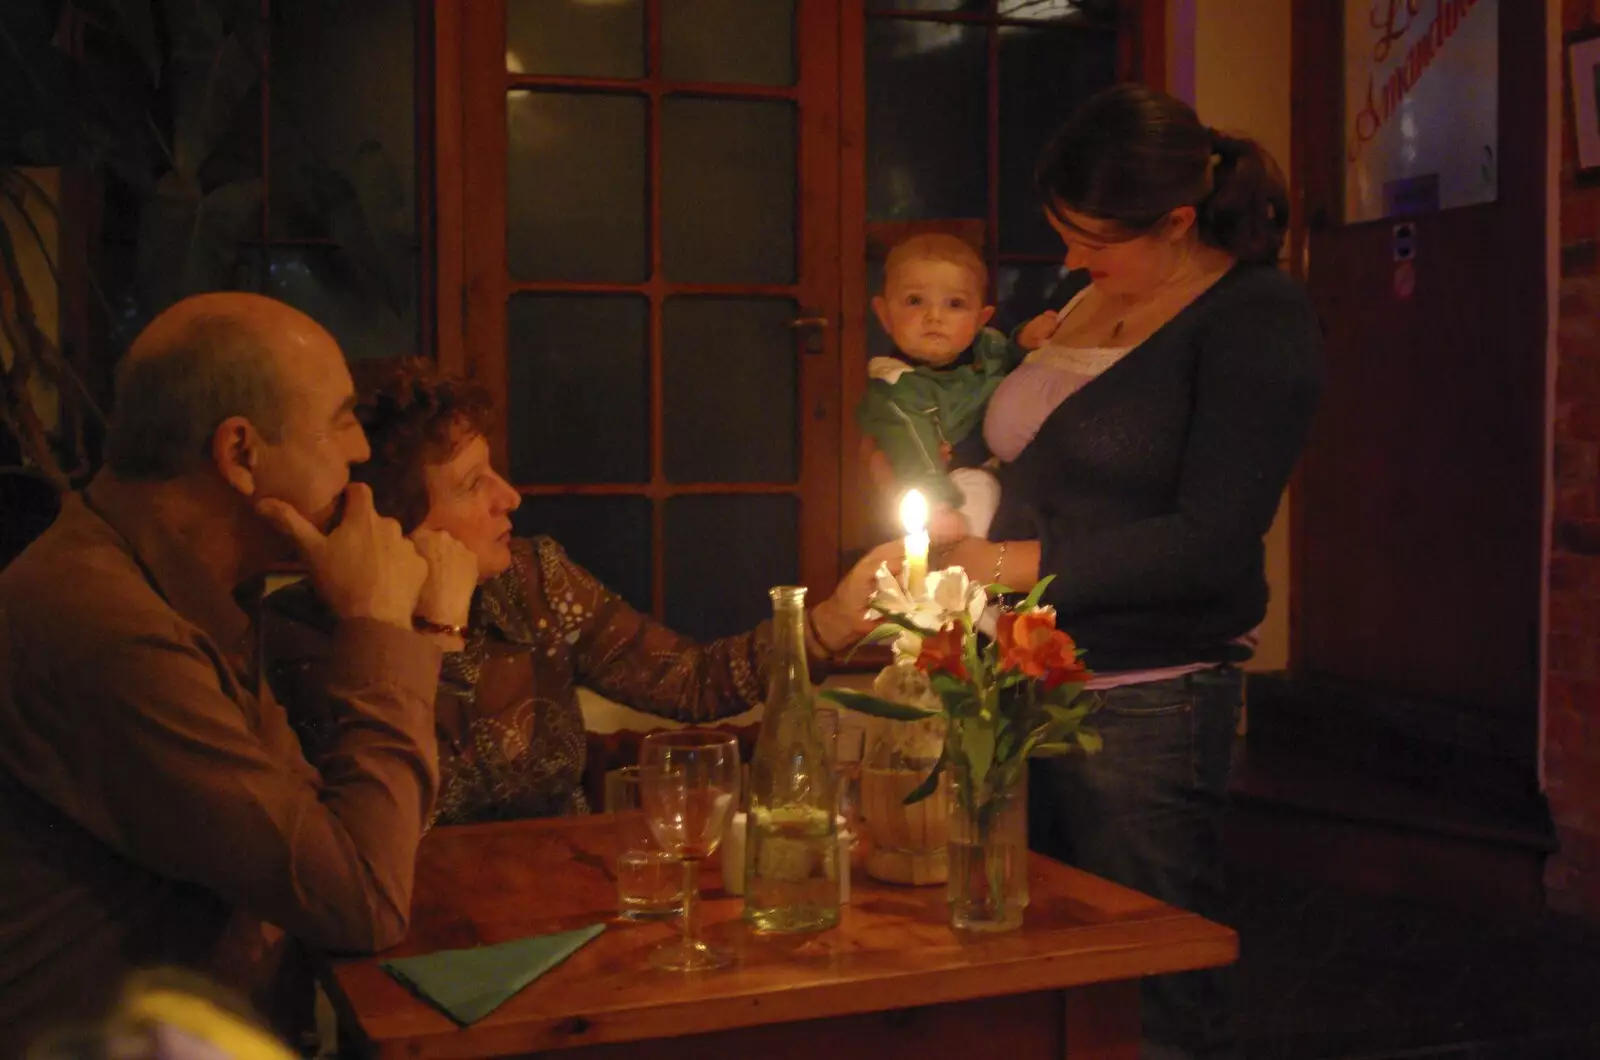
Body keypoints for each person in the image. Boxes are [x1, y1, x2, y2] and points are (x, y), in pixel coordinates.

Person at [936, 85, 1324, 1059]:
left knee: (1145, 977)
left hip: (1144, 691)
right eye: (1062, 232)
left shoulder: (1254, 317)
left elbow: (1211, 537)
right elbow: (1042, 457)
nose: (1069, 259)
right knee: (1032, 958)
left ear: (1178, 222)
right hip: (1020, 671)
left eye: (1092, 238)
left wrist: (1008, 560)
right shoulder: (1094, 294)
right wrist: (964, 501)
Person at [0, 294, 477, 1054]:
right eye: (342, 419)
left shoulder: (175, 584)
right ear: (241, 454)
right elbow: (362, 895)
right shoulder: (108, 626)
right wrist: (381, 624)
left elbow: (320, 833)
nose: (360, 451)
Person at [267, 359, 899, 825]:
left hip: (568, 909)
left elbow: (688, 679)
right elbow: (403, 824)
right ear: (394, 520)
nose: (508, 497)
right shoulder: (308, 636)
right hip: (414, 940)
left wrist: (831, 622)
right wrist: (439, 627)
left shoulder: (530, 577)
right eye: (470, 485)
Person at [858, 233, 1021, 541]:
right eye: (915, 301)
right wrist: (938, 507)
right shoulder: (897, 387)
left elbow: (1015, 364)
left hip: (1004, 472)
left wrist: (1024, 341)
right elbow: (913, 453)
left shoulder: (990, 348)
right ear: (884, 314)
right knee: (975, 493)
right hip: (943, 484)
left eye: (955, 304)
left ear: (980, 319)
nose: (934, 316)